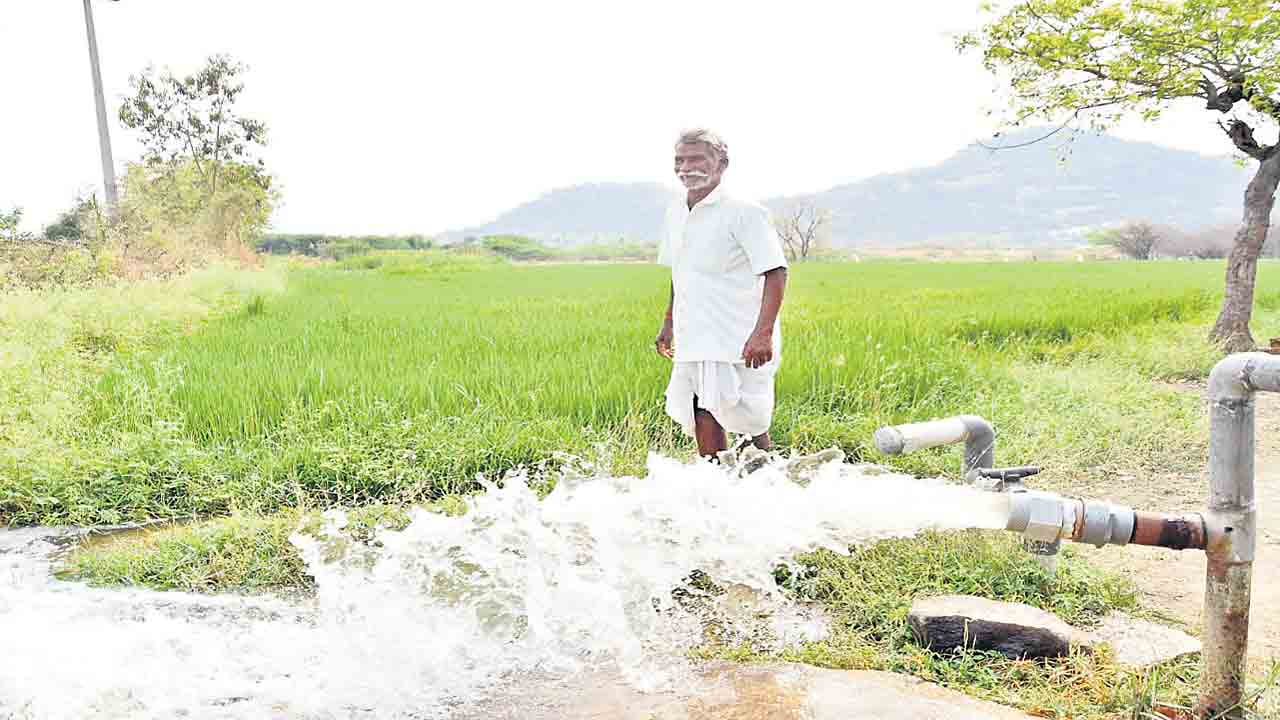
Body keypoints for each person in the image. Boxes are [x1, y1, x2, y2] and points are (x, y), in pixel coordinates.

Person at [654, 128, 789, 460]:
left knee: (747, 417)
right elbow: (680, 272)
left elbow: (775, 271)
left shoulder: (744, 211)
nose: (687, 167)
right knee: (702, 406)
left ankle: (766, 481)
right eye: (680, 160)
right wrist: (668, 322)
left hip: (737, 332)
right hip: (695, 331)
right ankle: (716, 484)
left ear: (722, 163)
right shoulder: (675, 211)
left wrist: (763, 333)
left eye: (697, 158)